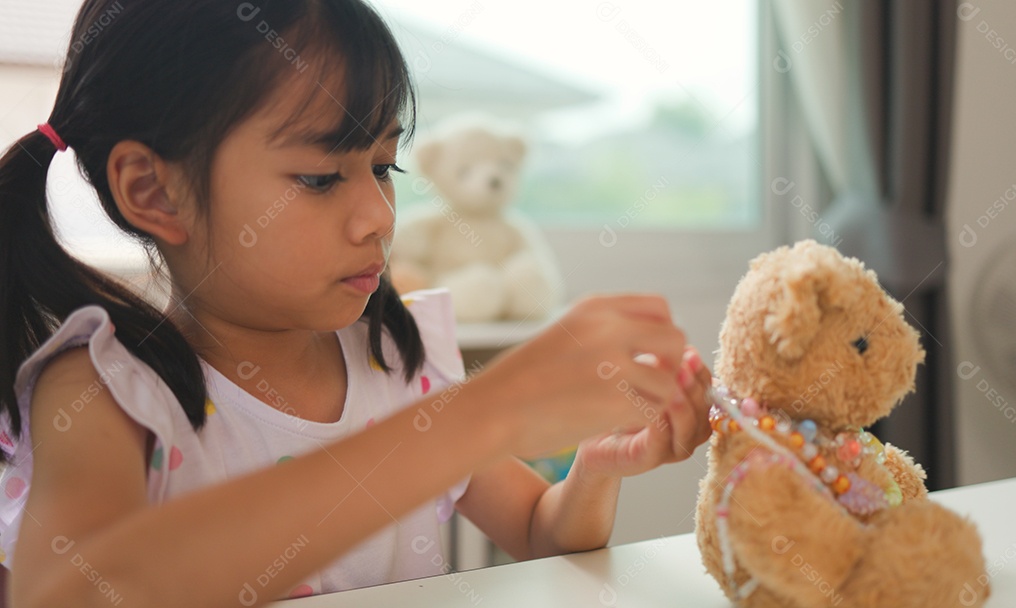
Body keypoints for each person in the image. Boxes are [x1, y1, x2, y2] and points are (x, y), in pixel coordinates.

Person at [0, 1, 712, 606]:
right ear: (154, 191)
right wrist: (484, 413)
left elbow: (538, 532)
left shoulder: (396, 361)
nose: (378, 215)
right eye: (320, 178)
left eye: (382, 166)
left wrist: (596, 468)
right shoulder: (106, 390)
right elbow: (65, 593)